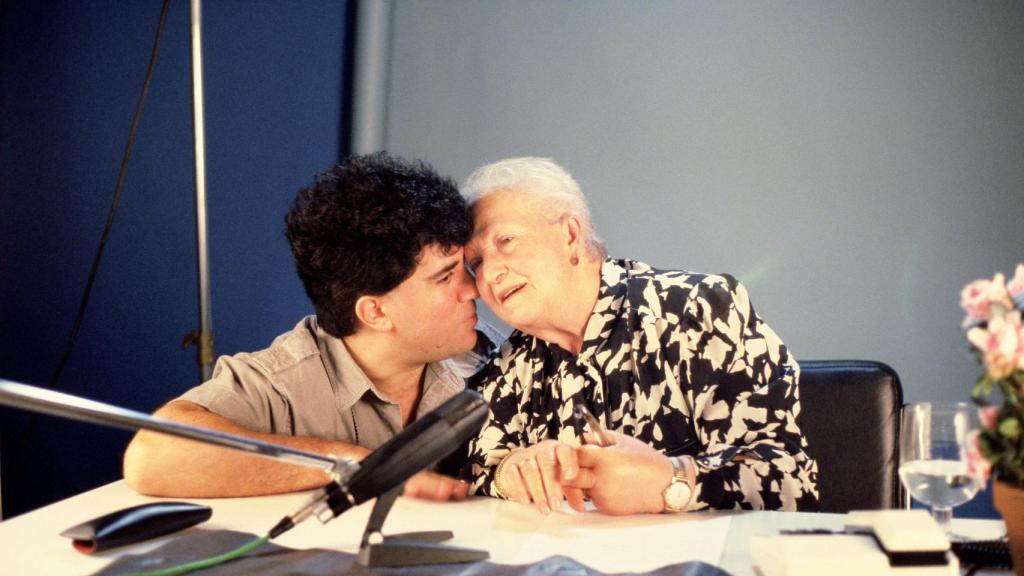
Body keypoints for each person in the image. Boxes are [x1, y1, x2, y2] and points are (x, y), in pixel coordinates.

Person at [124, 152, 497, 501]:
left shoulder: (491, 358)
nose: (474, 288)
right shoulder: (285, 382)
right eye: (445, 277)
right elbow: (153, 455)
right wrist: (355, 464)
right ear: (375, 312)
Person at [460, 157, 819, 515]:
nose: (490, 272)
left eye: (506, 240)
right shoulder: (509, 364)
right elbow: (471, 470)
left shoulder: (700, 309)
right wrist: (512, 472)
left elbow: (790, 482)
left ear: (570, 235)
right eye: (475, 263)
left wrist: (672, 481)